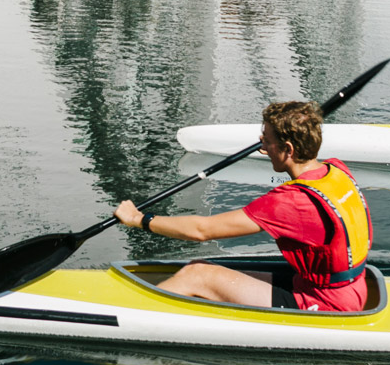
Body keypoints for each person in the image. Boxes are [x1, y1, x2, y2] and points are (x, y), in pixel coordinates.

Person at [113, 100, 372, 311]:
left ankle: (126, 315)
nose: (263, 148)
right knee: (206, 270)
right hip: (351, 288)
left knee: (197, 274)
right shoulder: (336, 170)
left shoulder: (292, 202)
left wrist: (139, 219)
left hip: (326, 304)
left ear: (288, 149)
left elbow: (202, 230)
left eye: (267, 141)